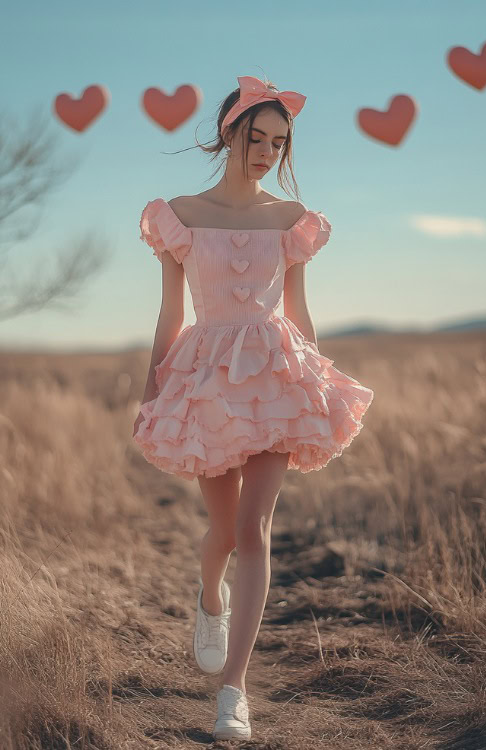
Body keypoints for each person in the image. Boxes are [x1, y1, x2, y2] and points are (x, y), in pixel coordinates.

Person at [132, 74, 374, 741]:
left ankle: (232, 691)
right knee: (227, 534)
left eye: (279, 142)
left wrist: (317, 382)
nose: (266, 152)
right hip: (206, 379)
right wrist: (154, 393)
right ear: (228, 134)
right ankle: (210, 597)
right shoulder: (177, 216)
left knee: (257, 529)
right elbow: (170, 313)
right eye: (256, 138)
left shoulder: (291, 222)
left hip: (273, 372)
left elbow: (298, 313)